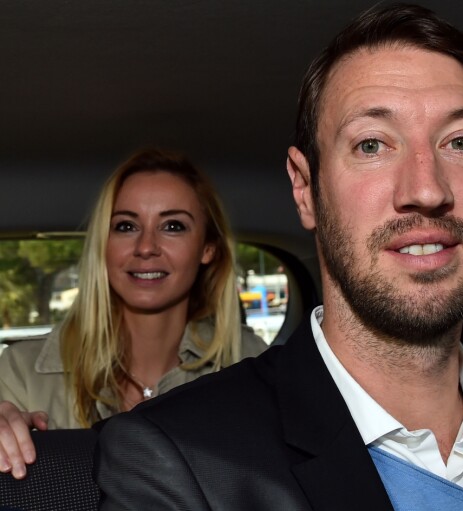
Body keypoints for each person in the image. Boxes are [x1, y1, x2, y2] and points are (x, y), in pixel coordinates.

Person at [82, 5, 463, 511]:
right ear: (305, 189)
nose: (426, 188)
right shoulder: (185, 466)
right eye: (372, 144)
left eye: (459, 141)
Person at [0, 148, 267, 479]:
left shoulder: (251, 364)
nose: (145, 247)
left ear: (207, 249)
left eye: (172, 226)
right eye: (126, 226)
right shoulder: (20, 375)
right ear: (104, 244)